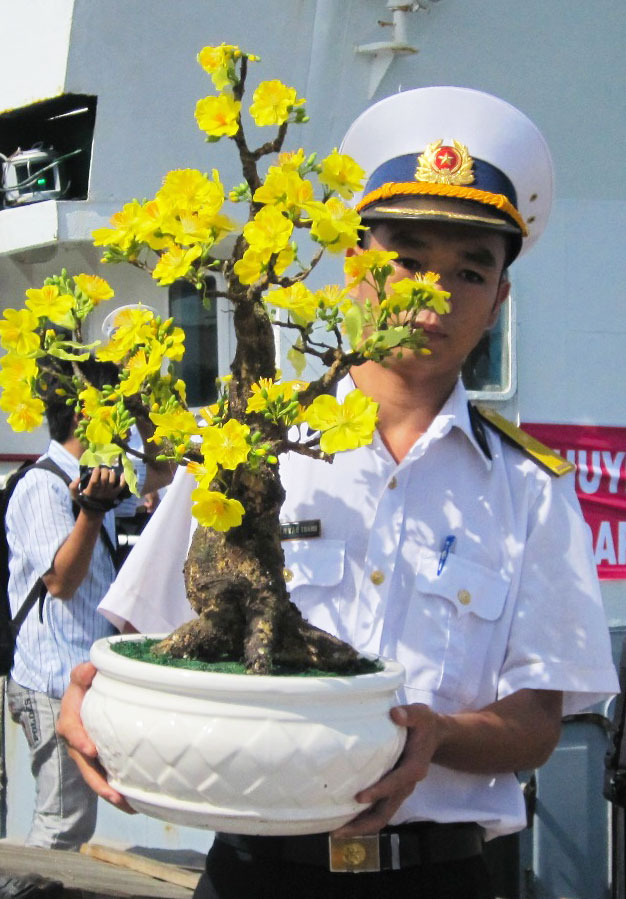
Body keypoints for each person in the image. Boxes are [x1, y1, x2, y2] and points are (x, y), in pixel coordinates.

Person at [58, 86, 618, 897]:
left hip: (438, 873)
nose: (435, 293)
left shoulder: (529, 489)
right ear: (355, 263)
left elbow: (534, 723)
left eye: (470, 270)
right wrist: (92, 690)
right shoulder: (243, 444)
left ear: (499, 298)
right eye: (408, 258)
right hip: (254, 873)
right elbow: (151, 634)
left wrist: (436, 734)